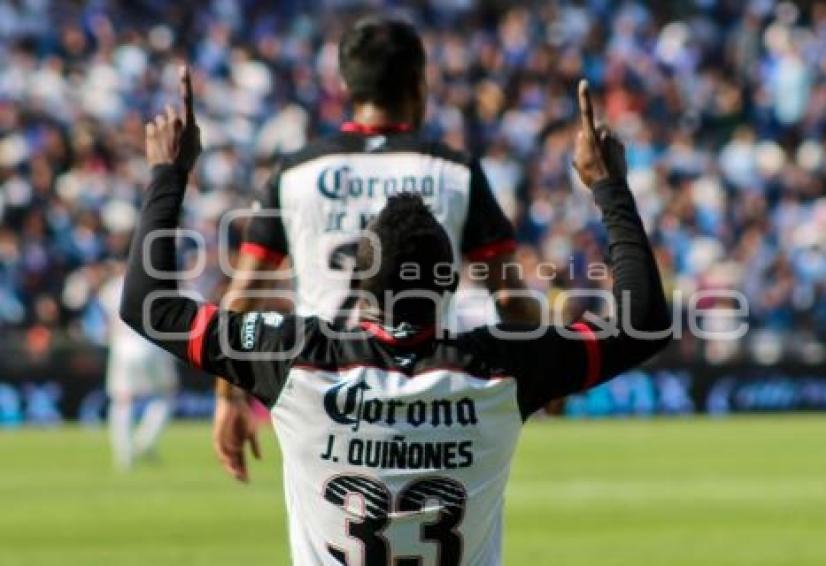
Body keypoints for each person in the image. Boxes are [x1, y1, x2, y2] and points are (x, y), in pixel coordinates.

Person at [120, 66, 670, 564]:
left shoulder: (291, 357)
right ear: (452, 281)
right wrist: (609, 185)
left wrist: (170, 173)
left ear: (359, 288)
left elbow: (149, 305)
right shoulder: (504, 364)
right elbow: (644, 320)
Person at [213, 16, 540, 482]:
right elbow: (509, 299)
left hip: (322, 396)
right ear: (418, 82)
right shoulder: (454, 171)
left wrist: (228, 399)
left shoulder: (296, 173)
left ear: (346, 84)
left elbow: (241, 301)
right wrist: (544, 372)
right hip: (426, 396)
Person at [99, 265, 177, 470]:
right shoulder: (157, 283)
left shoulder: (110, 288)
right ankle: (145, 441)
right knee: (166, 395)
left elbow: (107, 324)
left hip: (122, 346)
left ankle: (124, 456)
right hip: (152, 345)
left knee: (122, 401)